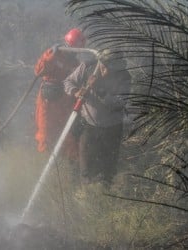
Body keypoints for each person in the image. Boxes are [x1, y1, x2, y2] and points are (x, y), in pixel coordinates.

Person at [63, 49, 131, 186]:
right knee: (87, 166)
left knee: (108, 168)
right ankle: (87, 193)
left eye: (114, 69)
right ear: (101, 63)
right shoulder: (87, 67)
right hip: (89, 125)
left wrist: (99, 90)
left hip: (112, 127)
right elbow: (68, 82)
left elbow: (120, 102)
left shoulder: (124, 77)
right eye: (107, 68)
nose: (110, 72)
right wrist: (76, 92)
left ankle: (105, 193)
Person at [34, 28, 86, 162]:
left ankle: (67, 165)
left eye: (76, 51)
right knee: (46, 135)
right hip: (48, 103)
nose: (74, 54)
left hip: (65, 104)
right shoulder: (54, 55)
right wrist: (50, 56)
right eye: (72, 49)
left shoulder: (76, 64)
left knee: (67, 135)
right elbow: (38, 71)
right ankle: (44, 163)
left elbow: (77, 83)